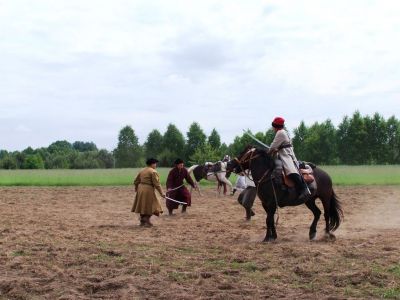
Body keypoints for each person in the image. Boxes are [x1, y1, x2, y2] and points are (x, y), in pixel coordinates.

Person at [268, 117, 310, 201]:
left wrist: (269, 152)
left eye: (273, 126)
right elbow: (277, 146)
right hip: (284, 153)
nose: (272, 128)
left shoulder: (280, 132)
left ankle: (304, 189)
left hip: (286, 155)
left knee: (290, 171)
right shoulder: (283, 132)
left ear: (275, 126)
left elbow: (273, 145)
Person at [131, 158, 165, 227]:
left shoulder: (142, 170)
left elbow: (136, 181)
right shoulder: (153, 171)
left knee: (142, 205)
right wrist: (162, 193)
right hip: (148, 190)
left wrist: (136, 188)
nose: (156, 165)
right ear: (152, 164)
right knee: (154, 205)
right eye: (155, 164)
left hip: (140, 189)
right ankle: (146, 219)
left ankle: (142, 222)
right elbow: (157, 184)